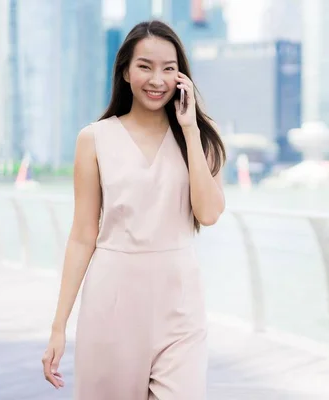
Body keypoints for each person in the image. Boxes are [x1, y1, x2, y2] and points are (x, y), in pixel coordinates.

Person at [41, 20, 226, 399]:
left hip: (180, 304)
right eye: (145, 66)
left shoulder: (201, 135)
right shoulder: (95, 138)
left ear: (181, 75)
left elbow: (208, 213)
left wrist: (190, 129)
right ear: (125, 71)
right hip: (113, 302)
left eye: (168, 68)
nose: (157, 79)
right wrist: (59, 325)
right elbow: (82, 236)